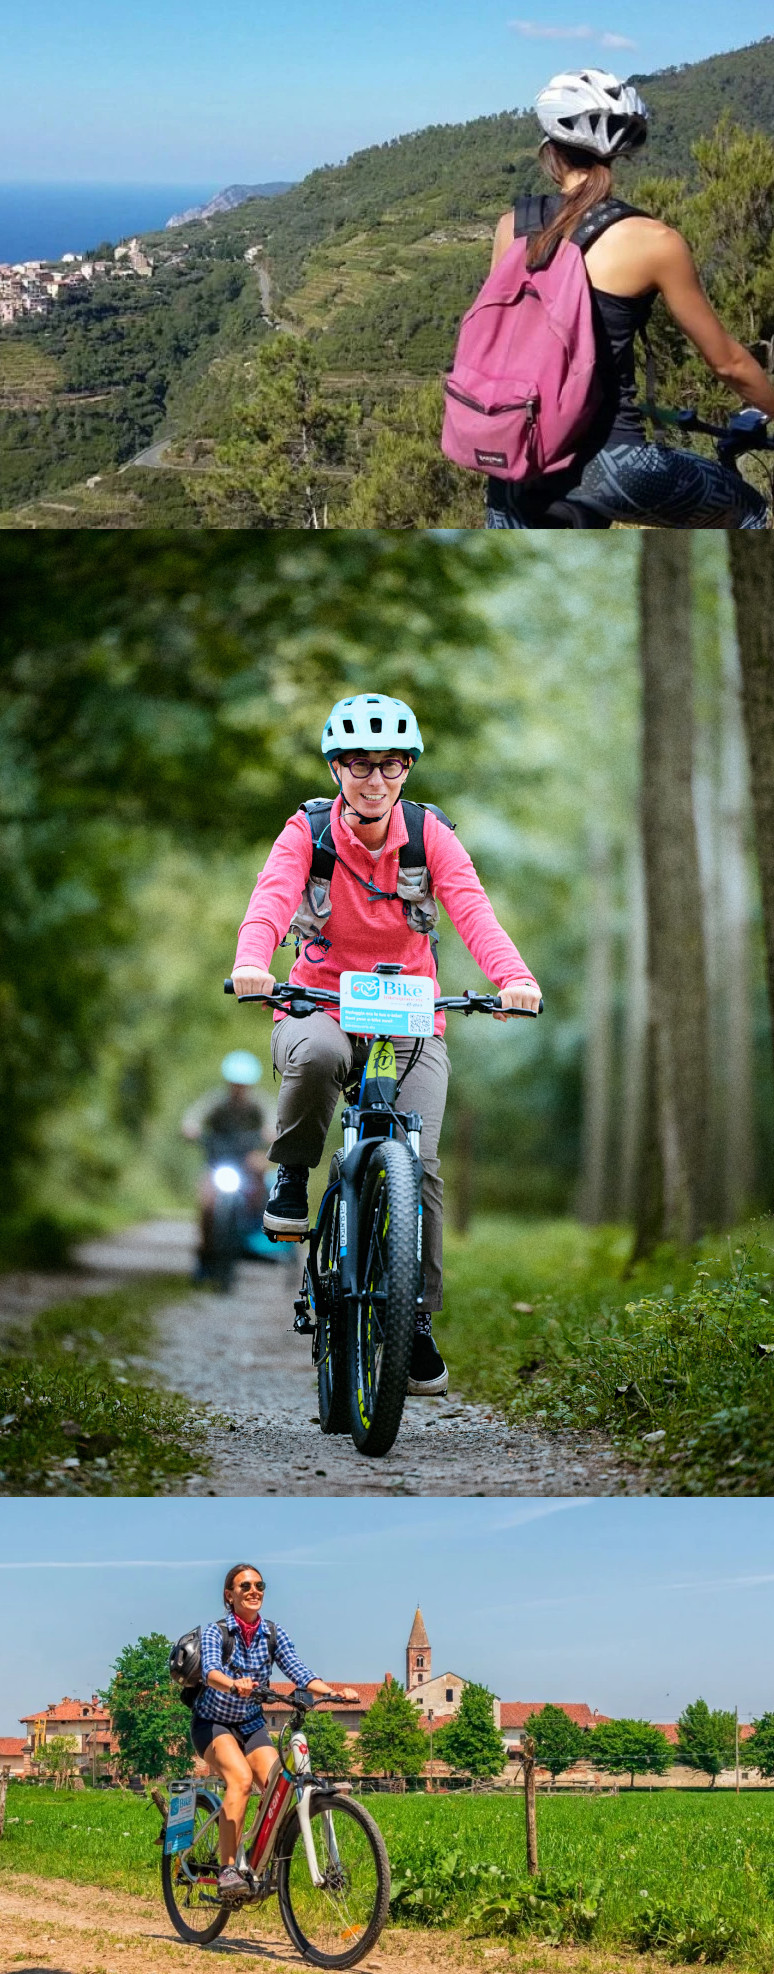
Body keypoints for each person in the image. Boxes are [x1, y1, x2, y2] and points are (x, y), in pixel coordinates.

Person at [230, 692, 541, 1398]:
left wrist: (513, 977)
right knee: (313, 1057)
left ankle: (414, 1317)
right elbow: (271, 901)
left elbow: (471, 909)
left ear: (408, 769)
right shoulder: (306, 832)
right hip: (321, 1004)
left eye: (392, 765)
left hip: (410, 1018)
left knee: (421, 1160)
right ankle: (292, 1174)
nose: (377, 780)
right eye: (361, 765)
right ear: (337, 768)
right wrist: (254, 962)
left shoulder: (429, 835)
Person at [485, 68, 774, 529]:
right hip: (608, 463)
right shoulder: (653, 240)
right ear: (621, 155)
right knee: (750, 512)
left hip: (514, 461)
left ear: (549, 149)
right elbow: (729, 365)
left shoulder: (510, 228)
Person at [191, 1561, 357, 1896]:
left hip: (251, 1723)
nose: (254, 1592)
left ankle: (253, 1859)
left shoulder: (272, 1633)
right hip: (213, 1722)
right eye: (245, 1586)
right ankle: (226, 1871)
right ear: (229, 1595)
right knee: (239, 1779)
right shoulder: (216, 1631)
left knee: (277, 1788)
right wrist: (233, 1683)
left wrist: (332, 1693)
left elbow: (298, 1670)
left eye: (259, 1586)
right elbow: (210, 1671)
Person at [181, 1052, 272, 1279]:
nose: (239, 1089)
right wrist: (191, 1128)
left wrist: (271, 1133)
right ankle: (205, 1254)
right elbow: (193, 1117)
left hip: (246, 1163)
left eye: (243, 1085)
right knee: (207, 1203)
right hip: (218, 1163)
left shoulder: (258, 1103)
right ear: (228, 1083)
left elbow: (274, 1121)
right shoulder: (217, 1101)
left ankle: (259, 1220)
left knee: (262, 1170)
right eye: (235, 1084)